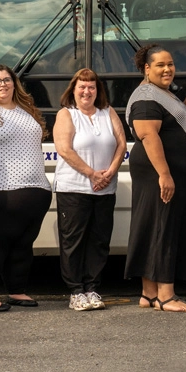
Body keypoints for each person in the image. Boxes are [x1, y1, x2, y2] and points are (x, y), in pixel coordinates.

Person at [0, 64, 52, 313]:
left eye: (7, 79)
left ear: (15, 83)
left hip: (36, 190)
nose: (2, 84)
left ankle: (16, 289)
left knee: (22, 244)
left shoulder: (26, 109)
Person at [125, 45, 186, 312]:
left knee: (153, 228)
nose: (167, 69)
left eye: (170, 64)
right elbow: (149, 136)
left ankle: (149, 293)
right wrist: (165, 174)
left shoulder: (161, 94)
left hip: (163, 173)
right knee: (164, 230)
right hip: (158, 173)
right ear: (147, 68)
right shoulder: (146, 97)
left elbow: (173, 124)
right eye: (160, 65)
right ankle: (167, 296)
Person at [53, 68, 127, 311]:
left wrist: (110, 172)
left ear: (98, 90)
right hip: (74, 190)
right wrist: (93, 174)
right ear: (73, 90)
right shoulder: (67, 114)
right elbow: (64, 150)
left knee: (99, 241)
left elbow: (121, 144)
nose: (87, 91)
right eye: (82, 86)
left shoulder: (108, 113)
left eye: (91, 87)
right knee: (73, 241)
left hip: (105, 190)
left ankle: (92, 288)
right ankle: (76, 291)